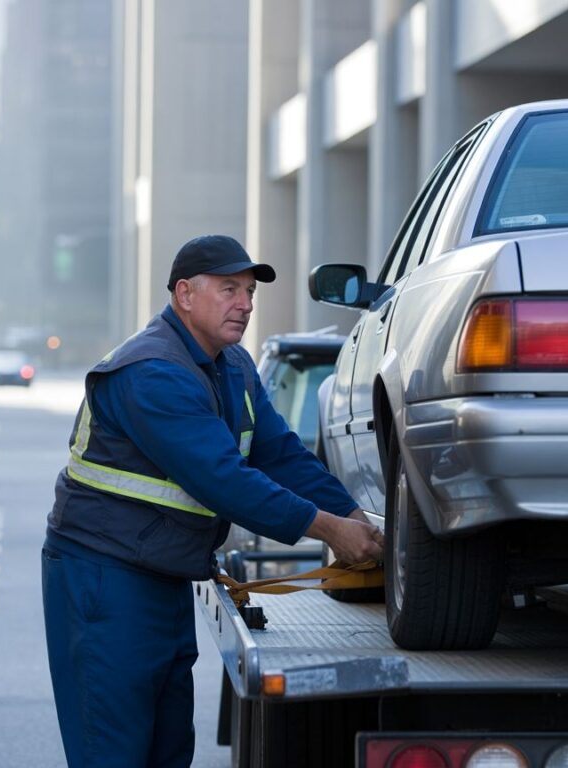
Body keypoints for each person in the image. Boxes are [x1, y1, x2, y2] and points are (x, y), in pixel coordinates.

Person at [41, 234, 384, 768]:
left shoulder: (233, 367)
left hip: (161, 573)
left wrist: (353, 515)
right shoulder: (152, 372)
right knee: (113, 750)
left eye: (249, 291)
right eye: (229, 289)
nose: (245, 303)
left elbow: (281, 455)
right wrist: (332, 532)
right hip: (104, 580)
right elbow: (224, 480)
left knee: (168, 748)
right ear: (184, 294)